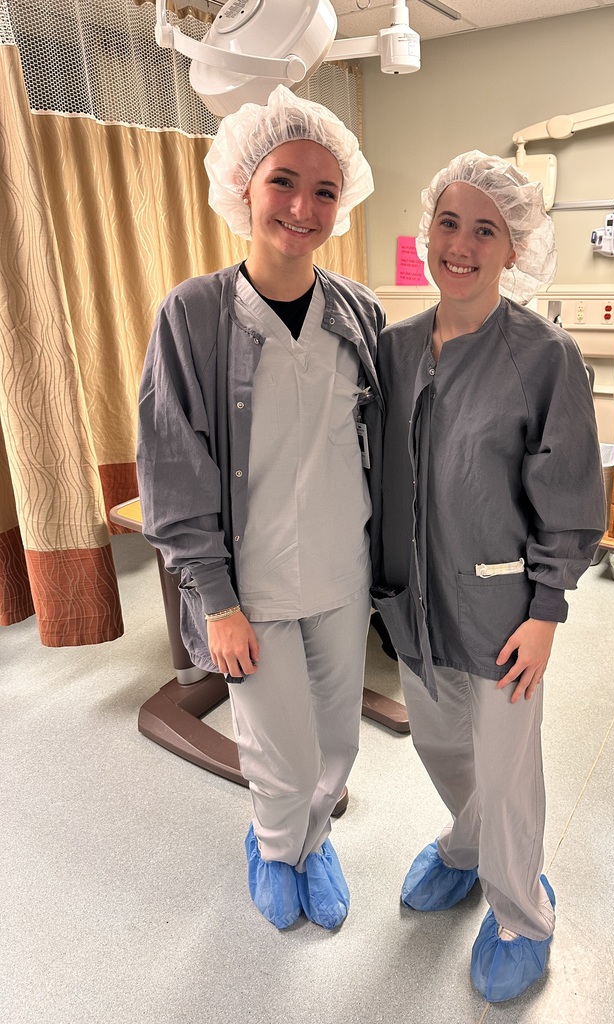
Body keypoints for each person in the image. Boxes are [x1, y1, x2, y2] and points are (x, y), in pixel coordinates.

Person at [137, 86, 384, 932]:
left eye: (323, 190)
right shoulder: (194, 315)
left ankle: (315, 840)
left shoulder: (359, 313)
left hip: (342, 573)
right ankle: (275, 845)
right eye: (284, 181)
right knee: (277, 745)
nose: (302, 206)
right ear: (245, 186)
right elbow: (173, 466)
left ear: (340, 205)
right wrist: (215, 600)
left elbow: (381, 444)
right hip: (254, 586)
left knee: (336, 739)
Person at [369, 151, 606, 1001]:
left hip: (505, 610)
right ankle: (466, 850)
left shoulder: (542, 357)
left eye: (485, 230)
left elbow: (572, 494)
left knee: (507, 776)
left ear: (514, 248)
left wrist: (546, 609)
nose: (461, 246)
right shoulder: (391, 349)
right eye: (448, 223)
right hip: (414, 603)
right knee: (439, 746)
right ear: (425, 231)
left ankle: (519, 910)